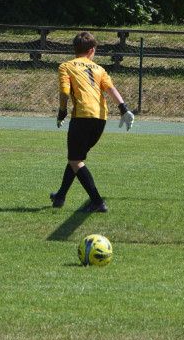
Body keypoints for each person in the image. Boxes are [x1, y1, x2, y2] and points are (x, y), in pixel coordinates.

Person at [50, 32, 134, 212]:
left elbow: (64, 92)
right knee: (76, 157)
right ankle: (60, 196)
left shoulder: (66, 66)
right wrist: (124, 109)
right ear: (91, 50)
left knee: (75, 159)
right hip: (100, 118)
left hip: (82, 116)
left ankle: (97, 202)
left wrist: (62, 111)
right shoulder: (99, 69)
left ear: (75, 49)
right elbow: (111, 89)